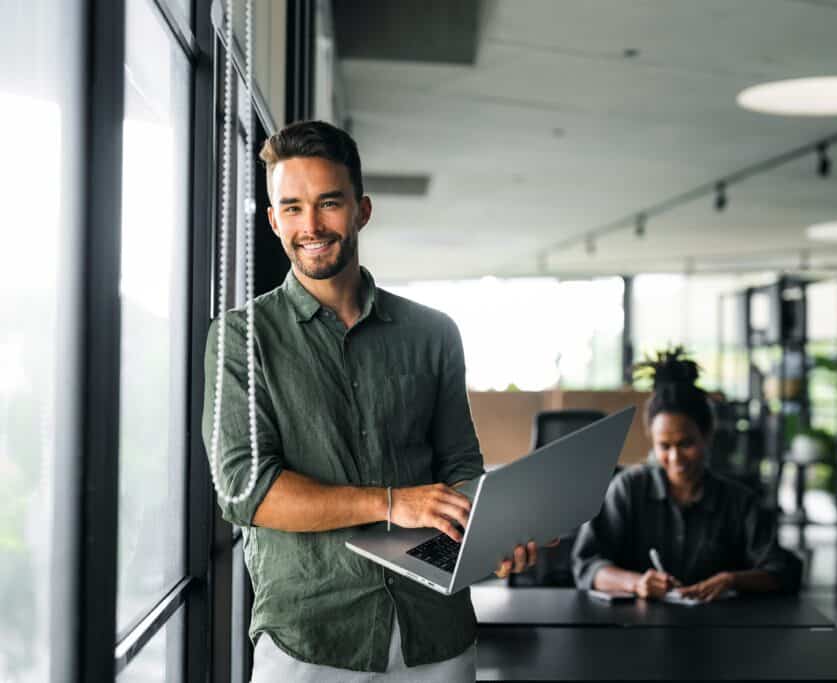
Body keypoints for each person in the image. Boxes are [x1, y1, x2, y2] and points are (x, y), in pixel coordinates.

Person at [202, 120, 540, 681]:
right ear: (272, 220)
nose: (310, 225)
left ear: (362, 210)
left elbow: (459, 467)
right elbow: (244, 491)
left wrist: (493, 532)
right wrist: (390, 502)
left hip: (436, 633)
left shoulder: (433, 333)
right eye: (291, 208)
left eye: (328, 203)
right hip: (311, 640)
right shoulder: (241, 338)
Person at [572, 349, 802, 601]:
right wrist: (636, 583)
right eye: (664, 446)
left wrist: (732, 580)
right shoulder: (627, 490)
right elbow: (587, 564)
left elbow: (783, 571)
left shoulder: (738, 502)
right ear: (652, 442)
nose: (675, 457)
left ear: (707, 435)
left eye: (686, 444)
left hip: (718, 630)